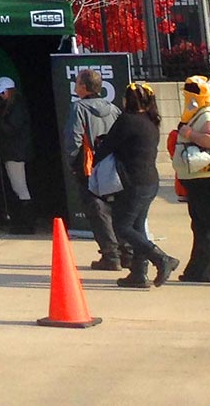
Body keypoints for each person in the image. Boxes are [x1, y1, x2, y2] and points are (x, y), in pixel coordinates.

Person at [97, 82, 179, 288]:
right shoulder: (150, 121)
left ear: (127, 100)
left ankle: (161, 259)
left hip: (133, 183)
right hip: (149, 181)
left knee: (122, 226)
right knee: (137, 226)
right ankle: (138, 273)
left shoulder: (126, 120)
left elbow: (106, 148)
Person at [64, 68, 129, 271]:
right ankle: (126, 252)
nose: (75, 86)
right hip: (113, 165)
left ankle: (110, 255)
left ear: (83, 87)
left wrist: (73, 163)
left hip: (88, 167)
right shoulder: (113, 108)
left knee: (97, 211)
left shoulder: (78, 108)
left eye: (77, 83)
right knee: (118, 210)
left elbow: (73, 140)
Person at [171, 74, 210, 283]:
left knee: (204, 225)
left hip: (205, 178)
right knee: (201, 225)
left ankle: (203, 271)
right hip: (198, 178)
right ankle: (198, 270)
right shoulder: (198, 112)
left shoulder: (206, 114)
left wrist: (188, 134)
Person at [0, 76, 35, 234]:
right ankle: (23, 222)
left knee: (20, 187)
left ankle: (26, 224)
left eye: (3, 93)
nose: (1, 96)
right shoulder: (10, 106)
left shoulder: (17, 107)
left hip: (16, 153)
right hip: (12, 152)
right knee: (17, 187)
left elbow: (11, 129)